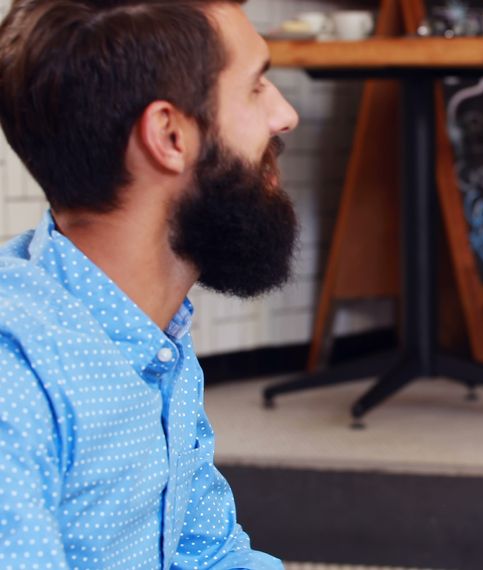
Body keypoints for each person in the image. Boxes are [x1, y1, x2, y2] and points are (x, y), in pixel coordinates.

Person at [0, 0, 299, 567]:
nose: (284, 115)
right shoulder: (14, 378)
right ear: (169, 135)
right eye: (257, 86)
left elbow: (208, 558)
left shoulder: (149, 338)